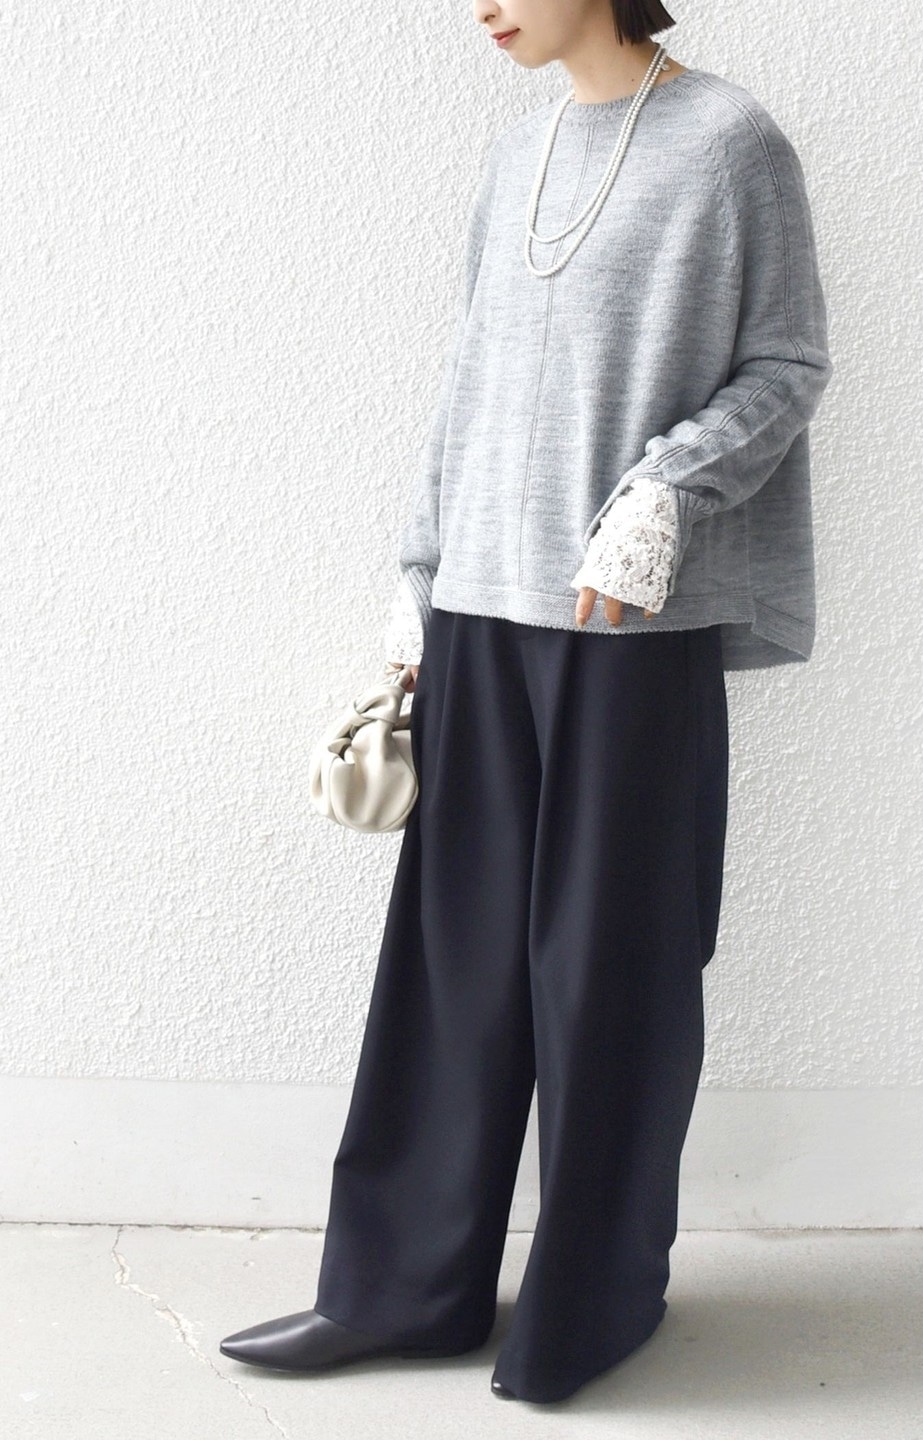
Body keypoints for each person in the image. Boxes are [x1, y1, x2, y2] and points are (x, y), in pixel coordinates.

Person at [219, 0, 833, 1405]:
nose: (481, 6)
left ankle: (596, 1301)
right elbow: (470, 382)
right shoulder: (522, 151)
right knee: (452, 971)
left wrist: (667, 492)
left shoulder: (729, 142)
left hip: (625, 623)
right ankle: (401, 1289)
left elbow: (789, 363)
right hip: (481, 612)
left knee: (607, 969)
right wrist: (419, 578)